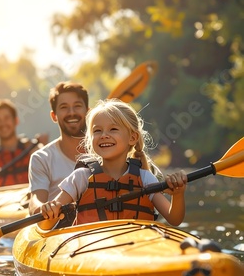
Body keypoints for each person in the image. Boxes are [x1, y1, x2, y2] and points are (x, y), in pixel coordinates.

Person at [40, 98, 187, 229]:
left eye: (113, 129)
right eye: (97, 131)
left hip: (135, 248)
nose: (104, 135)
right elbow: (45, 226)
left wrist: (178, 195)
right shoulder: (80, 177)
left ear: (132, 137)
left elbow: (174, 219)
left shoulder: (145, 178)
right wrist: (49, 212)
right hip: (89, 251)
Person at [28, 81, 89, 215]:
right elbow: (35, 202)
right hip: (59, 229)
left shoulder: (106, 150)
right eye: (64, 107)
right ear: (54, 116)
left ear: (88, 112)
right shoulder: (41, 158)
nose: (71, 113)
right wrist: (43, 208)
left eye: (77, 106)